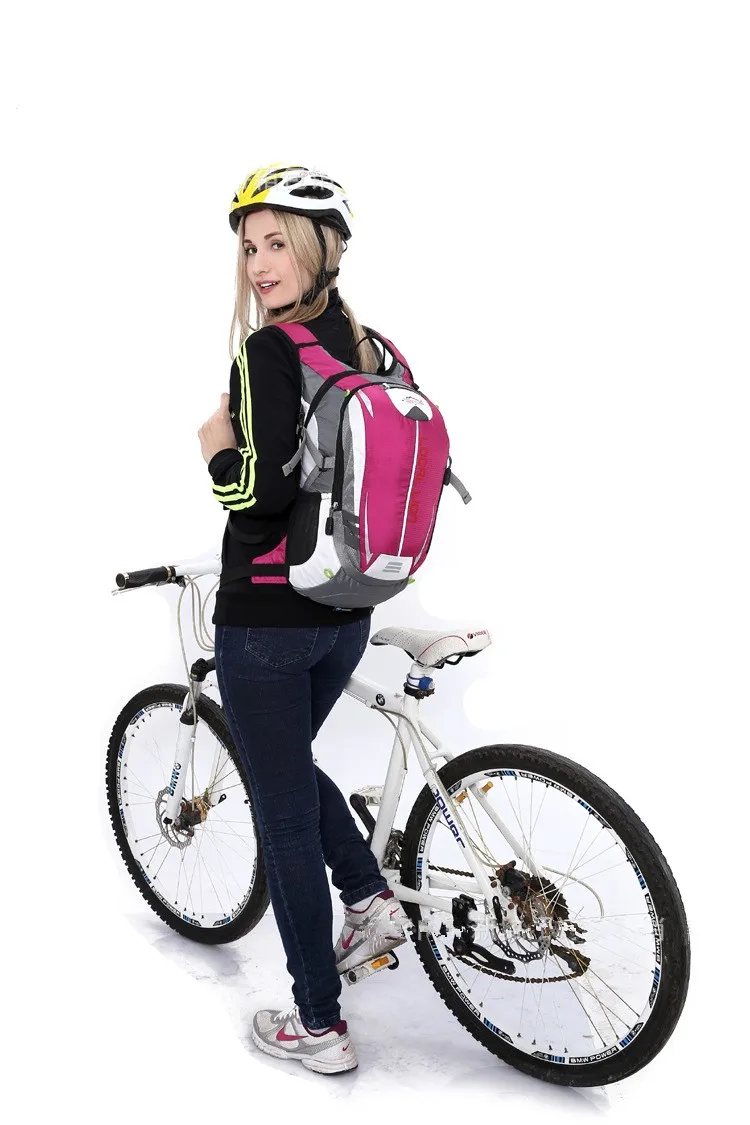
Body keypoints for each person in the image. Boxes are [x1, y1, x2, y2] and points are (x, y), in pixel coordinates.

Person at [197, 163, 410, 1075]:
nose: (258, 264)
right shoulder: (373, 348)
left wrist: (216, 451)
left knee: (282, 814)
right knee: (288, 766)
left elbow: (261, 495)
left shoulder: (268, 350)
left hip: (267, 621)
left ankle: (318, 1025)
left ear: (321, 247)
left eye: (277, 242)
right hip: (346, 611)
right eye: (250, 247)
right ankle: (368, 896)